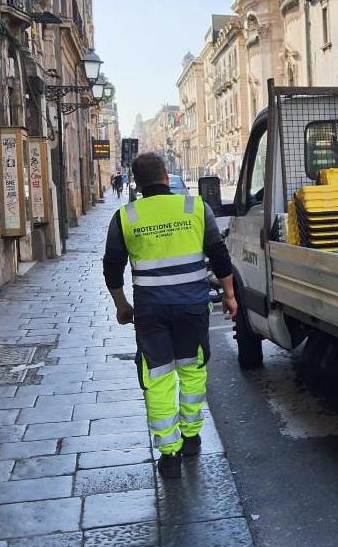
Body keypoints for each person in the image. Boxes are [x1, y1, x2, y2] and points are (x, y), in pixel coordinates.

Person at [102, 153, 238, 478]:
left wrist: (122, 305)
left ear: (136, 181)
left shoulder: (126, 216)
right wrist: (230, 295)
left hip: (151, 312)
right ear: (166, 175)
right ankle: (191, 438)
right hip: (192, 307)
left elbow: (111, 266)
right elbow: (219, 254)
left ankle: (169, 454)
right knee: (192, 371)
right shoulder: (194, 208)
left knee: (158, 377)